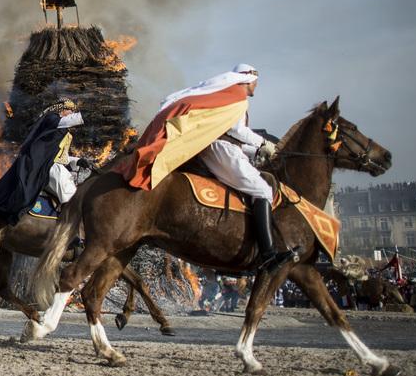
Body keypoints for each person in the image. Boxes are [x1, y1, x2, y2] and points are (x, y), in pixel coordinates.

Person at [114, 63, 293, 270]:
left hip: (220, 149)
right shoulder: (238, 98)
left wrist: (257, 151)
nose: (257, 85)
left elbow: (235, 140)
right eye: (256, 82)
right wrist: (262, 143)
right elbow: (237, 131)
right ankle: (268, 253)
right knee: (263, 190)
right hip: (222, 151)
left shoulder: (229, 95)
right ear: (248, 79)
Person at [0, 98, 89, 223]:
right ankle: (69, 229)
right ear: (60, 109)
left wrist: (77, 161)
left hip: (54, 164)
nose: (71, 113)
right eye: (69, 110)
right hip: (46, 166)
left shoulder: (63, 130)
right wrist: (90, 111)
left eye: (73, 111)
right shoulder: (51, 119)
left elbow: (61, 156)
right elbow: (73, 120)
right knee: (72, 196)